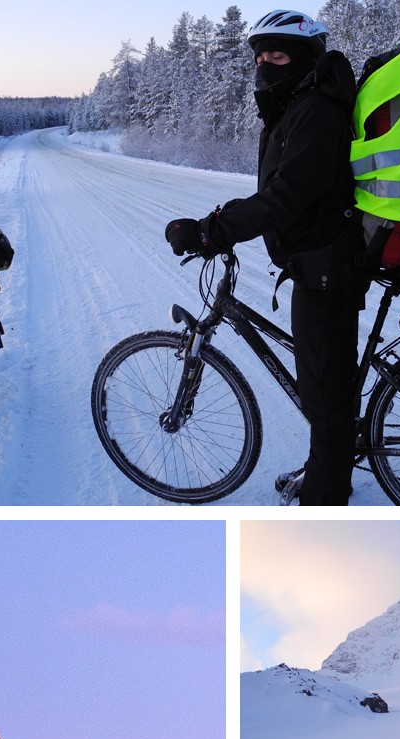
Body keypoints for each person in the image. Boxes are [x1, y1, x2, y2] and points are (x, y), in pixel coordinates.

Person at [165, 9, 366, 506]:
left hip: (328, 271)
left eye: (276, 54)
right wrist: (220, 223)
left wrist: (213, 231)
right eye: (259, 54)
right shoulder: (297, 104)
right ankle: (328, 460)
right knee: (323, 387)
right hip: (316, 265)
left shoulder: (316, 110)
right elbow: (281, 192)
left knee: (326, 399)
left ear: (302, 57)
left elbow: (286, 196)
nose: (265, 63)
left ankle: (326, 498)